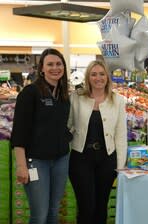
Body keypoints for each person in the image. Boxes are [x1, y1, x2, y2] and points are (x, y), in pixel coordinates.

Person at [11, 48, 71, 224]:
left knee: (53, 211)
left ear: (64, 67)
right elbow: (19, 132)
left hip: (61, 160)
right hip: (36, 162)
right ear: (42, 69)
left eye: (59, 64)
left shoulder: (64, 95)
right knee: (40, 214)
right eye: (50, 64)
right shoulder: (30, 93)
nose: (55, 68)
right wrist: (21, 166)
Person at [68, 60, 127, 224]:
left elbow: (121, 136)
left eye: (102, 74)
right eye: (93, 74)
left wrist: (120, 167)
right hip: (80, 159)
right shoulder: (76, 98)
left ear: (107, 77)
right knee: (86, 207)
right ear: (88, 77)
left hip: (106, 160)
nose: (98, 78)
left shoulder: (118, 100)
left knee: (101, 207)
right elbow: (68, 125)